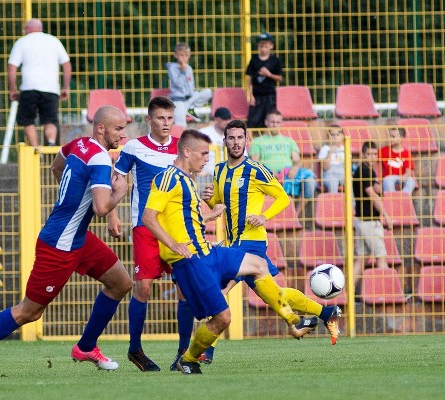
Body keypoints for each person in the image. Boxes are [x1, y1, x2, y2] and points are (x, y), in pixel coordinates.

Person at [0, 106, 132, 380]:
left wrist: (71, 198)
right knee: (28, 312)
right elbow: (101, 207)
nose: (123, 134)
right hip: (59, 245)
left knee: (121, 283)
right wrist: (119, 192)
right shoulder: (101, 160)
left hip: (77, 237)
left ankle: (86, 347)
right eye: (118, 128)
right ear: (101, 128)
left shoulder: (78, 144)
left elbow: (56, 165)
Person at [141, 129, 315, 374]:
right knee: (222, 319)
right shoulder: (168, 178)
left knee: (258, 264)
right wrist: (172, 244)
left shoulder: (188, 179)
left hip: (208, 252)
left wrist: (211, 213)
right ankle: (188, 359)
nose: (206, 159)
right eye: (203, 154)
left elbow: (187, 218)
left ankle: (294, 320)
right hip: (192, 260)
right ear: (187, 152)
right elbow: (149, 217)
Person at [204, 119, 341, 354]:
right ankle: (324, 312)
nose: (236, 143)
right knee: (273, 293)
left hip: (251, 243)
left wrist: (264, 216)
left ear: (247, 140)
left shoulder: (255, 169)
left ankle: (206, 351)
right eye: (231, 138)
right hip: (234, 242)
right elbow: (219, 204)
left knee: (218, 290)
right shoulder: (219, 171)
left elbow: (283, 197)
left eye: (240, 138)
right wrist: (209, 198)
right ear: (224, 141)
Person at [109, 96, 196, 372]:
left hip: (176, 228)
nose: (166, 123)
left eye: (170, 118)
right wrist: (111, 213)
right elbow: (117, 179)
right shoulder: (134, 147)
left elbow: (190, 183)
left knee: (185, 288)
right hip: (145, 226)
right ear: (149, 119)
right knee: (144, 287)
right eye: (160, 118)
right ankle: (135, 349)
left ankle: (184, 353)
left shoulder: (183, 148)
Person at [7, 18, 72, 147]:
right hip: (51, 88)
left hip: (29, 88)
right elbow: (67, 65)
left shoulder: (22, 42)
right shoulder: (54, 41)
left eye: (25, 29)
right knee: (50, 120)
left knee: (27, 120)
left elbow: (12, 68)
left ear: (28, 29)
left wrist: (12, 89)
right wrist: (65, 87)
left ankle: (36, 149)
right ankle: (51, 143)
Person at [351, 141, 393, 286]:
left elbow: (375, 188)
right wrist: (386, 216)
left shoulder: (368, 170)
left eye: (375, 154)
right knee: (381, 257)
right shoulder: (363, 170)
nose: (372, 157)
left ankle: (346, 294)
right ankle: (392, 291)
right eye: (369, 154)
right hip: (368, 221)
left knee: (361, 260)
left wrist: (378, 187)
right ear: (363, 154)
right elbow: (372, 195)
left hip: (362, 221)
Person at [250, 110, 316, 198]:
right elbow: (255, 163)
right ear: (266, 122)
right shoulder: (257, 141)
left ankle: (297, 212)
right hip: (267, 175)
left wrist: (295, 168)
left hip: (288, 174)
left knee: (310, 181)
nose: (275, 125)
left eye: (278, 122)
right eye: (272, 122)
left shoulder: (289, 141)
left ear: (281, 124)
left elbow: (297, 160)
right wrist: (267, 171)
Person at [167, 42, 213, 126]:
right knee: (181, 125)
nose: (183, 57)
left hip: (189, 98)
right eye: (181, 55)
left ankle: (190, 108)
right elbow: (178, 84)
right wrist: (182, 71)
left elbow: (191, 84)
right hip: (179, 100)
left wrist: (192, 94)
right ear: (176, 55)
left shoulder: (188, 68)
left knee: (208, 92)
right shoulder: (173, 67)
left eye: (186, 55)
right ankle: (186, 111)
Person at [245, 32, 282, 129]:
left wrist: (269, 74)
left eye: (266, 46)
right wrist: (251, 95)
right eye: (261, 46)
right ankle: (253, 141)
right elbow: (250, 79)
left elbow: (279, 78)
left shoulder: (275, 60)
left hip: (270, 96)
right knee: (253, 120)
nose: (263, 49)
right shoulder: (254, 60)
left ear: (271, 46)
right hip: (257, 96)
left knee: (269, 119)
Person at [379, 125, 417, 194]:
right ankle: (392, 199)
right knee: (388, 180)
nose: (390, 139)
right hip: (388, 177)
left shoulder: (406, 153)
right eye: (390, 136)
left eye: (393, 137)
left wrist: (404, 177)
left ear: (401, 138)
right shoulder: (384, 151)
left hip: (401, 177)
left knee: (411, 181)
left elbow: (408, 171)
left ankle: (404, 198)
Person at [318, 123, 346, 193]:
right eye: (332, 135)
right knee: (333, 183)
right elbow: (325, 167)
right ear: (328, 137)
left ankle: (352, 204)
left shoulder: (345, 149)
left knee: (351, 181)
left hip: (343, 173)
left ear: (342, 136)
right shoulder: (325, 149)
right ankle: (334, 203)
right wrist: (330, 151)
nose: (335, 137)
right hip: (330, 174)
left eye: (337, 134)